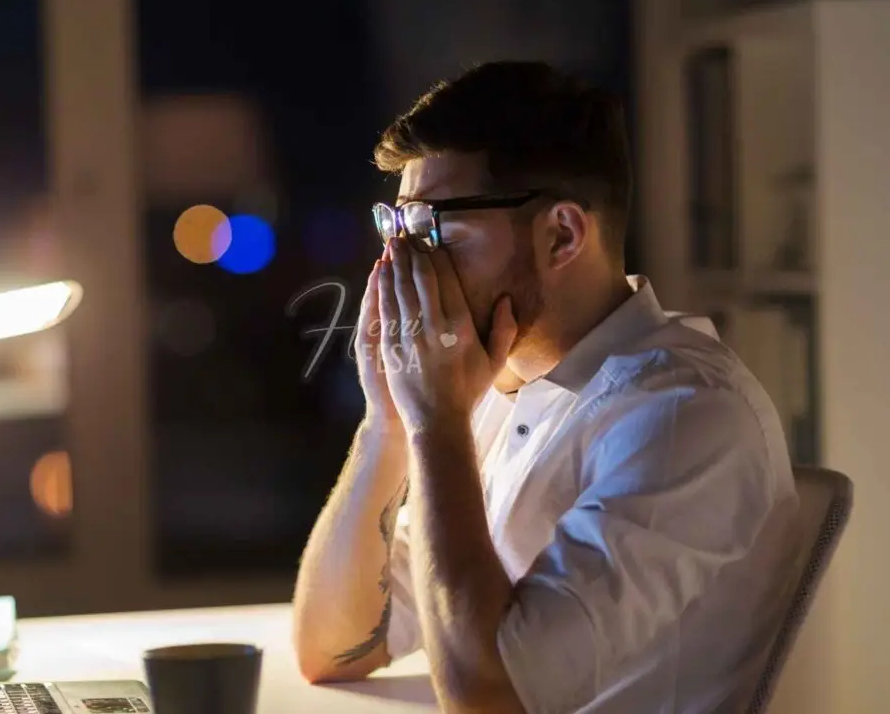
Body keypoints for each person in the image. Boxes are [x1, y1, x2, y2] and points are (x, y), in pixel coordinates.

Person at [291, 60, 799, 713]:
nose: (401, 264)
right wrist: (386, 420)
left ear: (561, 235)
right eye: (398, 229)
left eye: (431, 229)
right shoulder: (495, 390)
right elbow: (333, 647)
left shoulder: (683, 415)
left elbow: (490, 700)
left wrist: (435, 425)